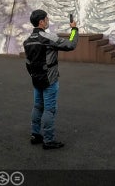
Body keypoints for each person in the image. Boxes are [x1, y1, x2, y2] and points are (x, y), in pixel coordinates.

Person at [23, 9, 79, 150]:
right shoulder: (49, 38)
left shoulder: (27, 41)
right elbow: (71, 44)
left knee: (37, 107)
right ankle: (48, 140)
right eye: (47, 19)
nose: (48, 21)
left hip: (36, 79)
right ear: (41, 22)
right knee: (49, 110)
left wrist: (34, 75)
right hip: (50, 80)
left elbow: (28, 64)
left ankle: (35, 134)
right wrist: (74, 29)